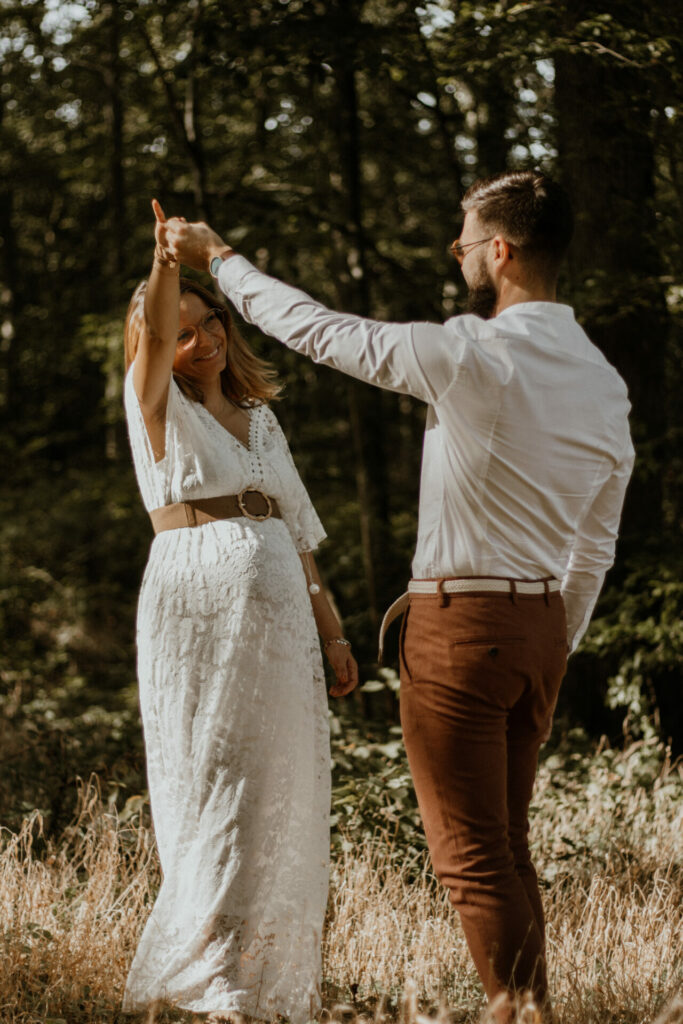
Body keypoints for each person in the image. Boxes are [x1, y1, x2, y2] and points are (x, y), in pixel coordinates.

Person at [162, 171, 634, 1020]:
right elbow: (594, 547)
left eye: (462, 242)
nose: (458, 256)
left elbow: (314, 330)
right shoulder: (604, 384)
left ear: (501, 249)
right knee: (508, 848)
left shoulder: (470, 353)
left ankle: (515, 1013)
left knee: (472, 859)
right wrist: (552, 643)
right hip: (539, 628)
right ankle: (530, 1008)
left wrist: (217, 257)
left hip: (463, 625)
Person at [121, 199, 358, 1023]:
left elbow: (298, 530)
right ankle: (201, 971)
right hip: (196, 606)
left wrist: (331, 633)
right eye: (183, 330)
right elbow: (150, 342)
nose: (203, 338)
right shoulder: (157, 406)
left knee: (275, 785)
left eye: (209, 321)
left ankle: (260, 977)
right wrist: (168, 266)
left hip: (283, 617)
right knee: (211, 776)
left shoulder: (260, 420)